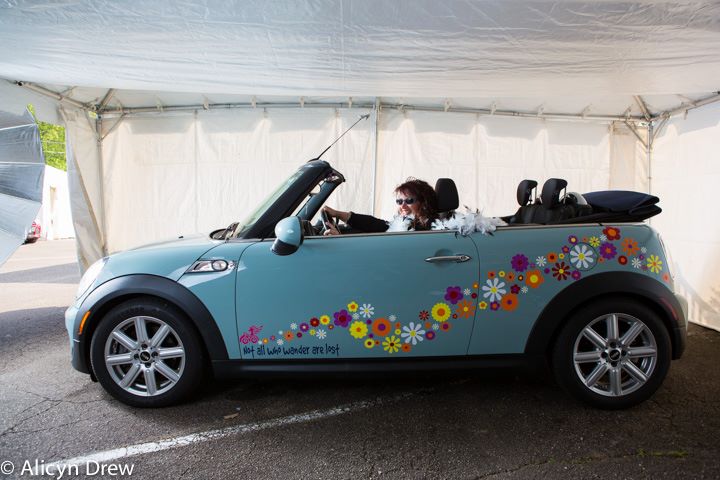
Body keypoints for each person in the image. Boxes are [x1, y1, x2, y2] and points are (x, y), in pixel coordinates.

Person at [322, 178, 439, 235]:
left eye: (409, 200)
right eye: (399, 201)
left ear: (423, 202)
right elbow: (378, 225)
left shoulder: (427, 228)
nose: (403, 205)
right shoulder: (406, 224)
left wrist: (340, 241)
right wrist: (338, 214)